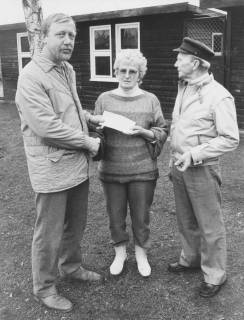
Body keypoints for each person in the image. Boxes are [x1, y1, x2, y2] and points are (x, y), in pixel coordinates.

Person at [15, 13, 104, 312]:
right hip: (52, 169)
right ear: (44, 37)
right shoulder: (31, 76)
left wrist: (90, 119)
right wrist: (88, 142)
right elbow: (47, 127)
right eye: (61, 34)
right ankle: (45, 287)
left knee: (75, 226)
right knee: (49, 232)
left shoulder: (67, 70)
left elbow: (69, 109)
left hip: (76, 167)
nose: (68, 41)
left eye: (72, 36)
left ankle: (71, 267)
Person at [168, 37, 239, 297]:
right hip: (179, 165)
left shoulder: (219, 96)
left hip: (202, 168)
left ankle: (215, 274)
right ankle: (191, 259)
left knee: (209, 224)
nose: (176, 61)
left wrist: (195, 154)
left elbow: (231, 138)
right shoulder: (184, 86)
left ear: (195, 62)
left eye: (180, 58)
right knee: (186, 219)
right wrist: (174, 157)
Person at [94, 49, 168, 278]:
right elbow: (95, 134)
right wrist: (97, 130)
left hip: (143, 170)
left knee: (141, 215)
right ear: (115, 72)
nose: (127, 75)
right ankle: (119, 253)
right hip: (112, 169)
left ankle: (141, 254)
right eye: (123, 70)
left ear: (140, 74)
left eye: (132, 71)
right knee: (115, 215)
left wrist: (146, 132)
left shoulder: (150, 99)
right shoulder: (104, 99)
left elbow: (163, 129)